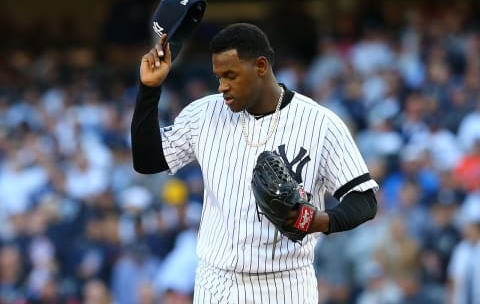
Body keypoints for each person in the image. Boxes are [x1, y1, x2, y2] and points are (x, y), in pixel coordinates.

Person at [131, 22, 379, 304]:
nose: (222, 86)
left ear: (261, 66)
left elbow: (364, 200)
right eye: (218, 77)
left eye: (230, 75)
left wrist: (316, 221)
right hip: (216, 283)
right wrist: (148, 90)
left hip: (286, 284)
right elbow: (147, 160)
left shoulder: (320, 123)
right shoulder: (204, 114)